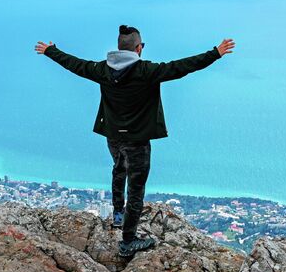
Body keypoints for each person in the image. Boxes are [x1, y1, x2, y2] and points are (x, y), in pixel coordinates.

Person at [34, 25, 235, 257]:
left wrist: (51, 51)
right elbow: (182, 67)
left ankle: (118, 213)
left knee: (119, 169)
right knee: (136, 189)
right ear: (139, 48)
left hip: (113, 136)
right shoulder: (147, 71)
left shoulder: (102, 69)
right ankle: (128, 241)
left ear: (119, 48)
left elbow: (75, 64)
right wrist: (216, 53)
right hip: (137, 140)